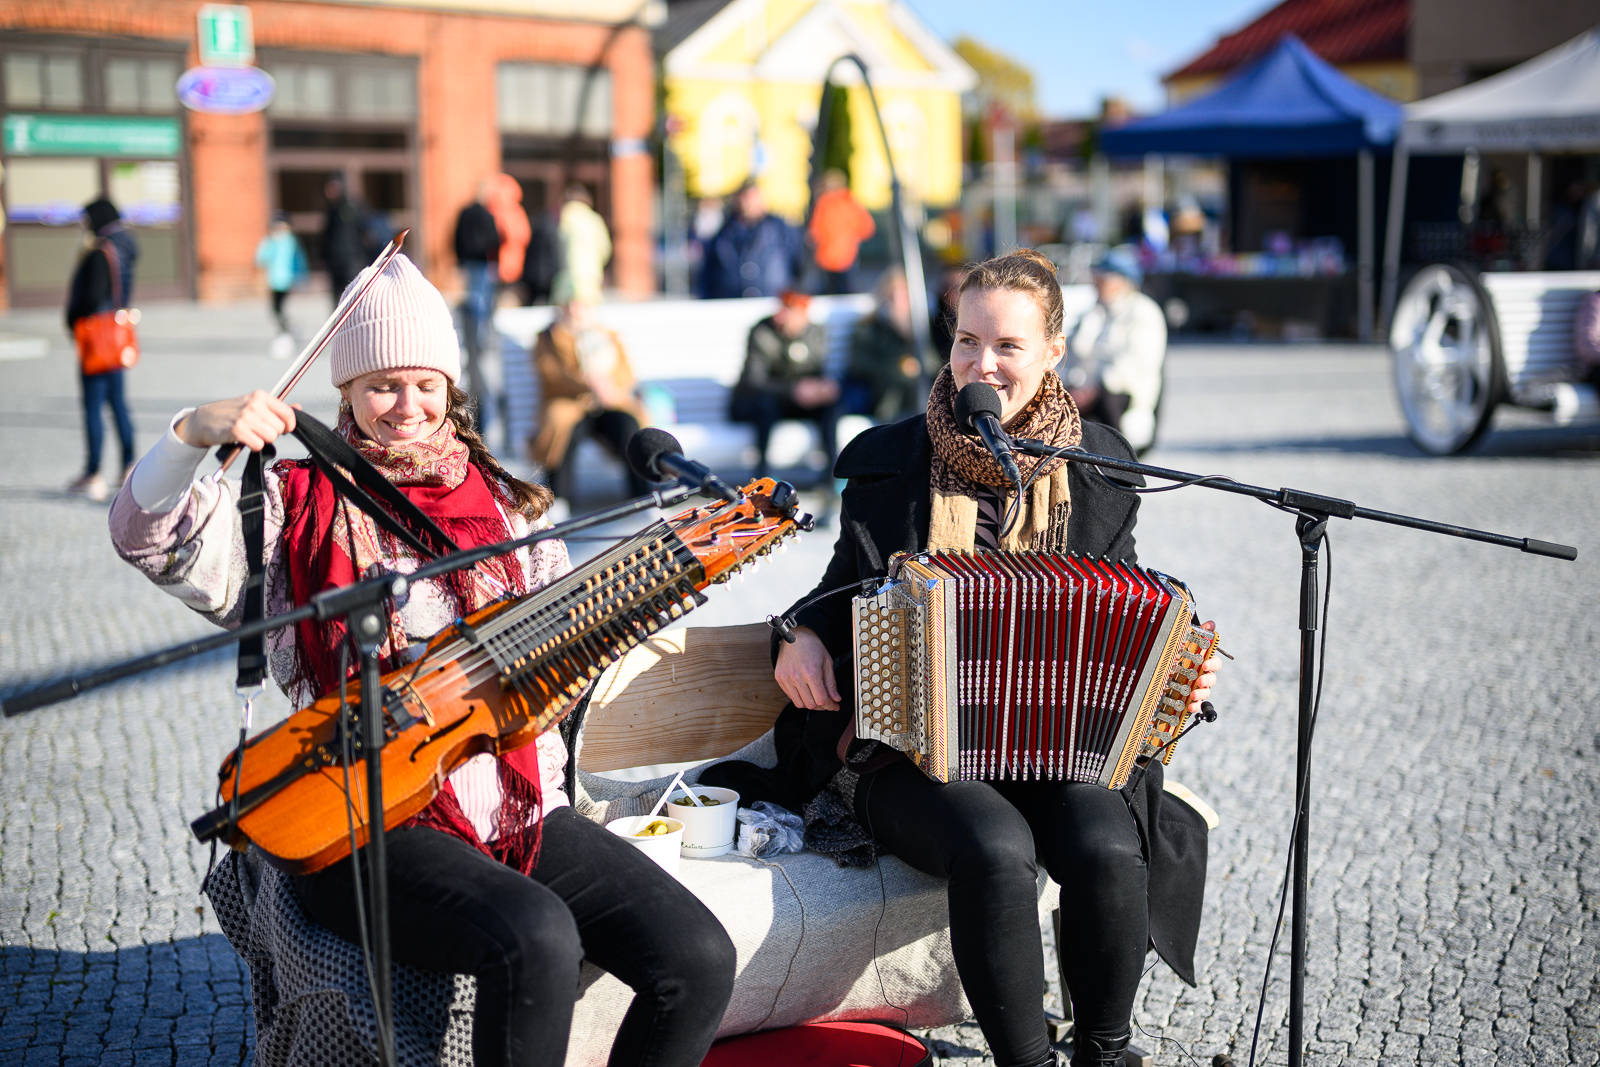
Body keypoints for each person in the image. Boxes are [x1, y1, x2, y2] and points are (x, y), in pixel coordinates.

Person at [108, 255, 735, 1067]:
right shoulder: (294, 504)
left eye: (425, 384)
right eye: (382, 385)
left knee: (696, 957)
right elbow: (147, 536)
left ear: (452, 387)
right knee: (536, 936)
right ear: (347, 394)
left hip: (511, 800)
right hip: (361, 806)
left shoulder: (508, 503)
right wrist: (191, 431)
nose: (407, 406)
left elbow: (560, 671)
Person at [705, 249, 1220, 1067]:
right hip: (913, 750)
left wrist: (1174, 680)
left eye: (1008, 346)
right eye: (968, 340)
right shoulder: (892, 461)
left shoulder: (1100, 467)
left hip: (1059, 748)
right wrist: (793, 635)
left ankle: (1106, 1050)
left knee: (1105, 844)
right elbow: (836, 594)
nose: (983, 363)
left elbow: (1125, 617)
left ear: (1054, 350)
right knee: (996, 847)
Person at [528, 298, 650, 501]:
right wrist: (587, 384)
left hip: (608, 403)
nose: (576, 310)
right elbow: (550, 375)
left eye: (582, 304)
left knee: (628, 426)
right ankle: (558, 498)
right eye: (570, 304)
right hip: (569, 403)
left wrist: (611, 389)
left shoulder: (607, 335)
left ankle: (643, 496)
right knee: (561, 430)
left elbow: (626, 373)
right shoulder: (549, 337)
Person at [65, 196, 139, 502]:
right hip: (116, 337)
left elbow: (91, 298)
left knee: (93, 406)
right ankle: (127, 466)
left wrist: (73, 319)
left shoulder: (99, 252)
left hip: (97, 340)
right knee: (118, 403)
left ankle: (93, 473)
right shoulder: (126, 247)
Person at [1062, 246, 1167, 453]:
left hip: (1123, 392)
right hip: (1087, 388)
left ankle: (1118, 464)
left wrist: (1094, 388)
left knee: (1107, 402)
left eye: (1103, 279)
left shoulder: (1143, 312)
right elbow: (1072, 353)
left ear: (1123, 281)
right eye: (1096, 277)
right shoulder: (1093, 312)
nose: (1096, 283)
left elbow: (1135, 364)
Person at [728, 290, 839, 482]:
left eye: (789, 310)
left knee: (832, 405)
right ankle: (763, 475)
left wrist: (821, 388)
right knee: (765, 406)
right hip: (764, 401)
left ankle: (832, 474)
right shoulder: (762, 332)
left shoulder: (815, 333)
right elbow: (754, 381)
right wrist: (792, 390)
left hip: (798, 402)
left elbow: (817, 370)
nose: (781, 315)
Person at [454, 179, 505, 435]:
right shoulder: (486, 214)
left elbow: (455, 237)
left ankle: (477, 325)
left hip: (469, 262)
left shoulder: (464, 213)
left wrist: (461, 257)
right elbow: (495, 239)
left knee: (474, 298)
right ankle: (480, 329)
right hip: (482, 263)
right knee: (482, 300)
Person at [701, 182, 805, 300]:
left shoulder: (780, 229)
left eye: (751, 198)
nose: (747, 204)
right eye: (744, 198)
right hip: (732, 303)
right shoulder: (723, 233)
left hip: (774, 300)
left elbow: (798, 262)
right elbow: (708, 271)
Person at [843, 267, 921, 422]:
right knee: (895, 387)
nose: (898, 304)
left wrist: (908, 335)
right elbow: (860, 364)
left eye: (904, 297)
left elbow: (933, 362)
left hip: (913, 391)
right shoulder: (868, 326)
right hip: (878, 391)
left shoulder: (920, 328)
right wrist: (897, 368)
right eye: (892, 297)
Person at [808, 169, 875, 294]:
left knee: (831, 291)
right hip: (845, 255)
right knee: (847, 289)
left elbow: (814, 231)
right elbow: (867, 227)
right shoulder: (850, 202)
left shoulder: (825, 203)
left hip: (828, 256)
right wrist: (854, 237)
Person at [551, 184, 611, 305]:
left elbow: (557, 246)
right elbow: (605, 248)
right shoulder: (594, 219)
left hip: (568, 274)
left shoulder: (565, 217)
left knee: (569, 311)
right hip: (591, 274)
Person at [256, 212, 307, 351]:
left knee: (281, 307)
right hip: (274, 280)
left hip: (286, 279)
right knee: (275, 308)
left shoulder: (291, 241)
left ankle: (285, 331)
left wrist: (300, 277)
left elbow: (298, 260)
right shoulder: (271, 241)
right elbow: (260, 258)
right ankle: (288, 328)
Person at [319, 176, 369, 306]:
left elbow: (360, 230)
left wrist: (360, 254)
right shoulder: (330, 210)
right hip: (334, 260)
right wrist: (324, 256)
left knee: (351, 289)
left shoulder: (351, 207)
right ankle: (337, 320)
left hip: (350, 258)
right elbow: (327, 235)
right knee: (335, 293)